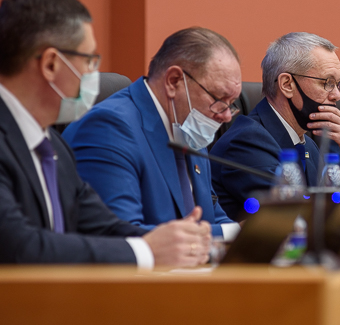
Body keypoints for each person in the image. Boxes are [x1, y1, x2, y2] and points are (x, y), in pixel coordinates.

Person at [0, 0, 211, 267]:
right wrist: (146, 252)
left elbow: (102, 226)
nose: (93, 73)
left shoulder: (52, 145)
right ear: (50, 64)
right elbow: (19, 248)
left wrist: (173, 241)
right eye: (90, 60)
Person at [63, 27, 240, 240]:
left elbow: (212, 218)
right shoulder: (108, 127)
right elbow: (121, 235)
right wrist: (234, 233)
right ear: (174, 81)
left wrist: (250, 234)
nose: (226, 116)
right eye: (219, 99)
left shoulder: (189, 128)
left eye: (232, 103)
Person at [210, 32, 340, 220]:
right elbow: (293, 218)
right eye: (327, 83)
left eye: (338, 83)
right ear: (287, 84)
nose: (337, 95)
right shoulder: (247, 142)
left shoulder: (308, 145)